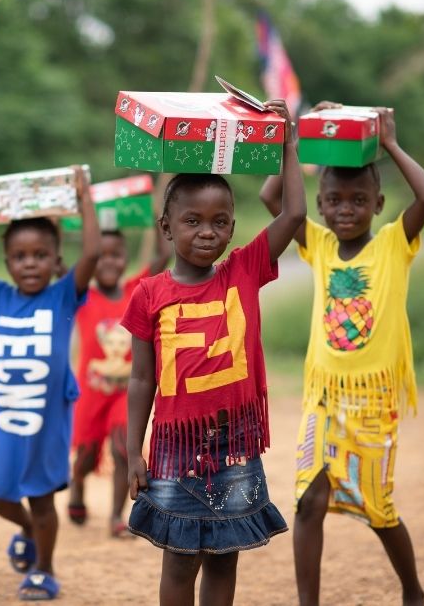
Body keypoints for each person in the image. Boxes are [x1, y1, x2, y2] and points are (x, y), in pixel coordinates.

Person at [123, 100, 304, 606]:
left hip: (236, 443)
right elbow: (141, 380)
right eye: (193, 220)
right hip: (174, 449)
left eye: (220, 221)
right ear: (167, 228)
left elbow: (295, 213)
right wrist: (131, 451)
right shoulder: (148, 294)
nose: (208, 232)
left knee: (226, 556)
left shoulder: (243, 270)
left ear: (232, 226)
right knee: (180, 560)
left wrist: (288, 144)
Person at [259, 103, 424, 606]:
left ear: (379, 204)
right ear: (319, 203)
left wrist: (390, 143)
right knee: (308, 500)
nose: (345, 209)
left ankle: (413, 591)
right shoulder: (316, 243)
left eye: (359, 200)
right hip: (324, 394)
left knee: (377, 509)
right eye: (333, 200)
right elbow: (270, 195)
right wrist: (299, 142)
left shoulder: (392, 245)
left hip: (373, 399)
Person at [0, 166, 99, 601]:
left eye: (40, 255)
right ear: (7, 261)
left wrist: (84, 200)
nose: (30, 263)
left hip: (47, 424)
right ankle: (28, 531)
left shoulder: (63, 294)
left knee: (44, 500)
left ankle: (43, 569)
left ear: (54, 260)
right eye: (20, 256)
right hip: (7, 420)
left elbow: (90, 254)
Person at [67, 211, 170, 537]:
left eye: (116, 255)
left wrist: (158, 217)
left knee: (123, 449)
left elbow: (164, 254)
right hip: (91, 392)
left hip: (125, 393)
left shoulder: (135, 290)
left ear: (126, 258)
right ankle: (77, 487)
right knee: (85, 455)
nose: (109, 263)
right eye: (101, 256)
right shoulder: (82, 295)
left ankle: (115, 516)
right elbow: (65, 266)